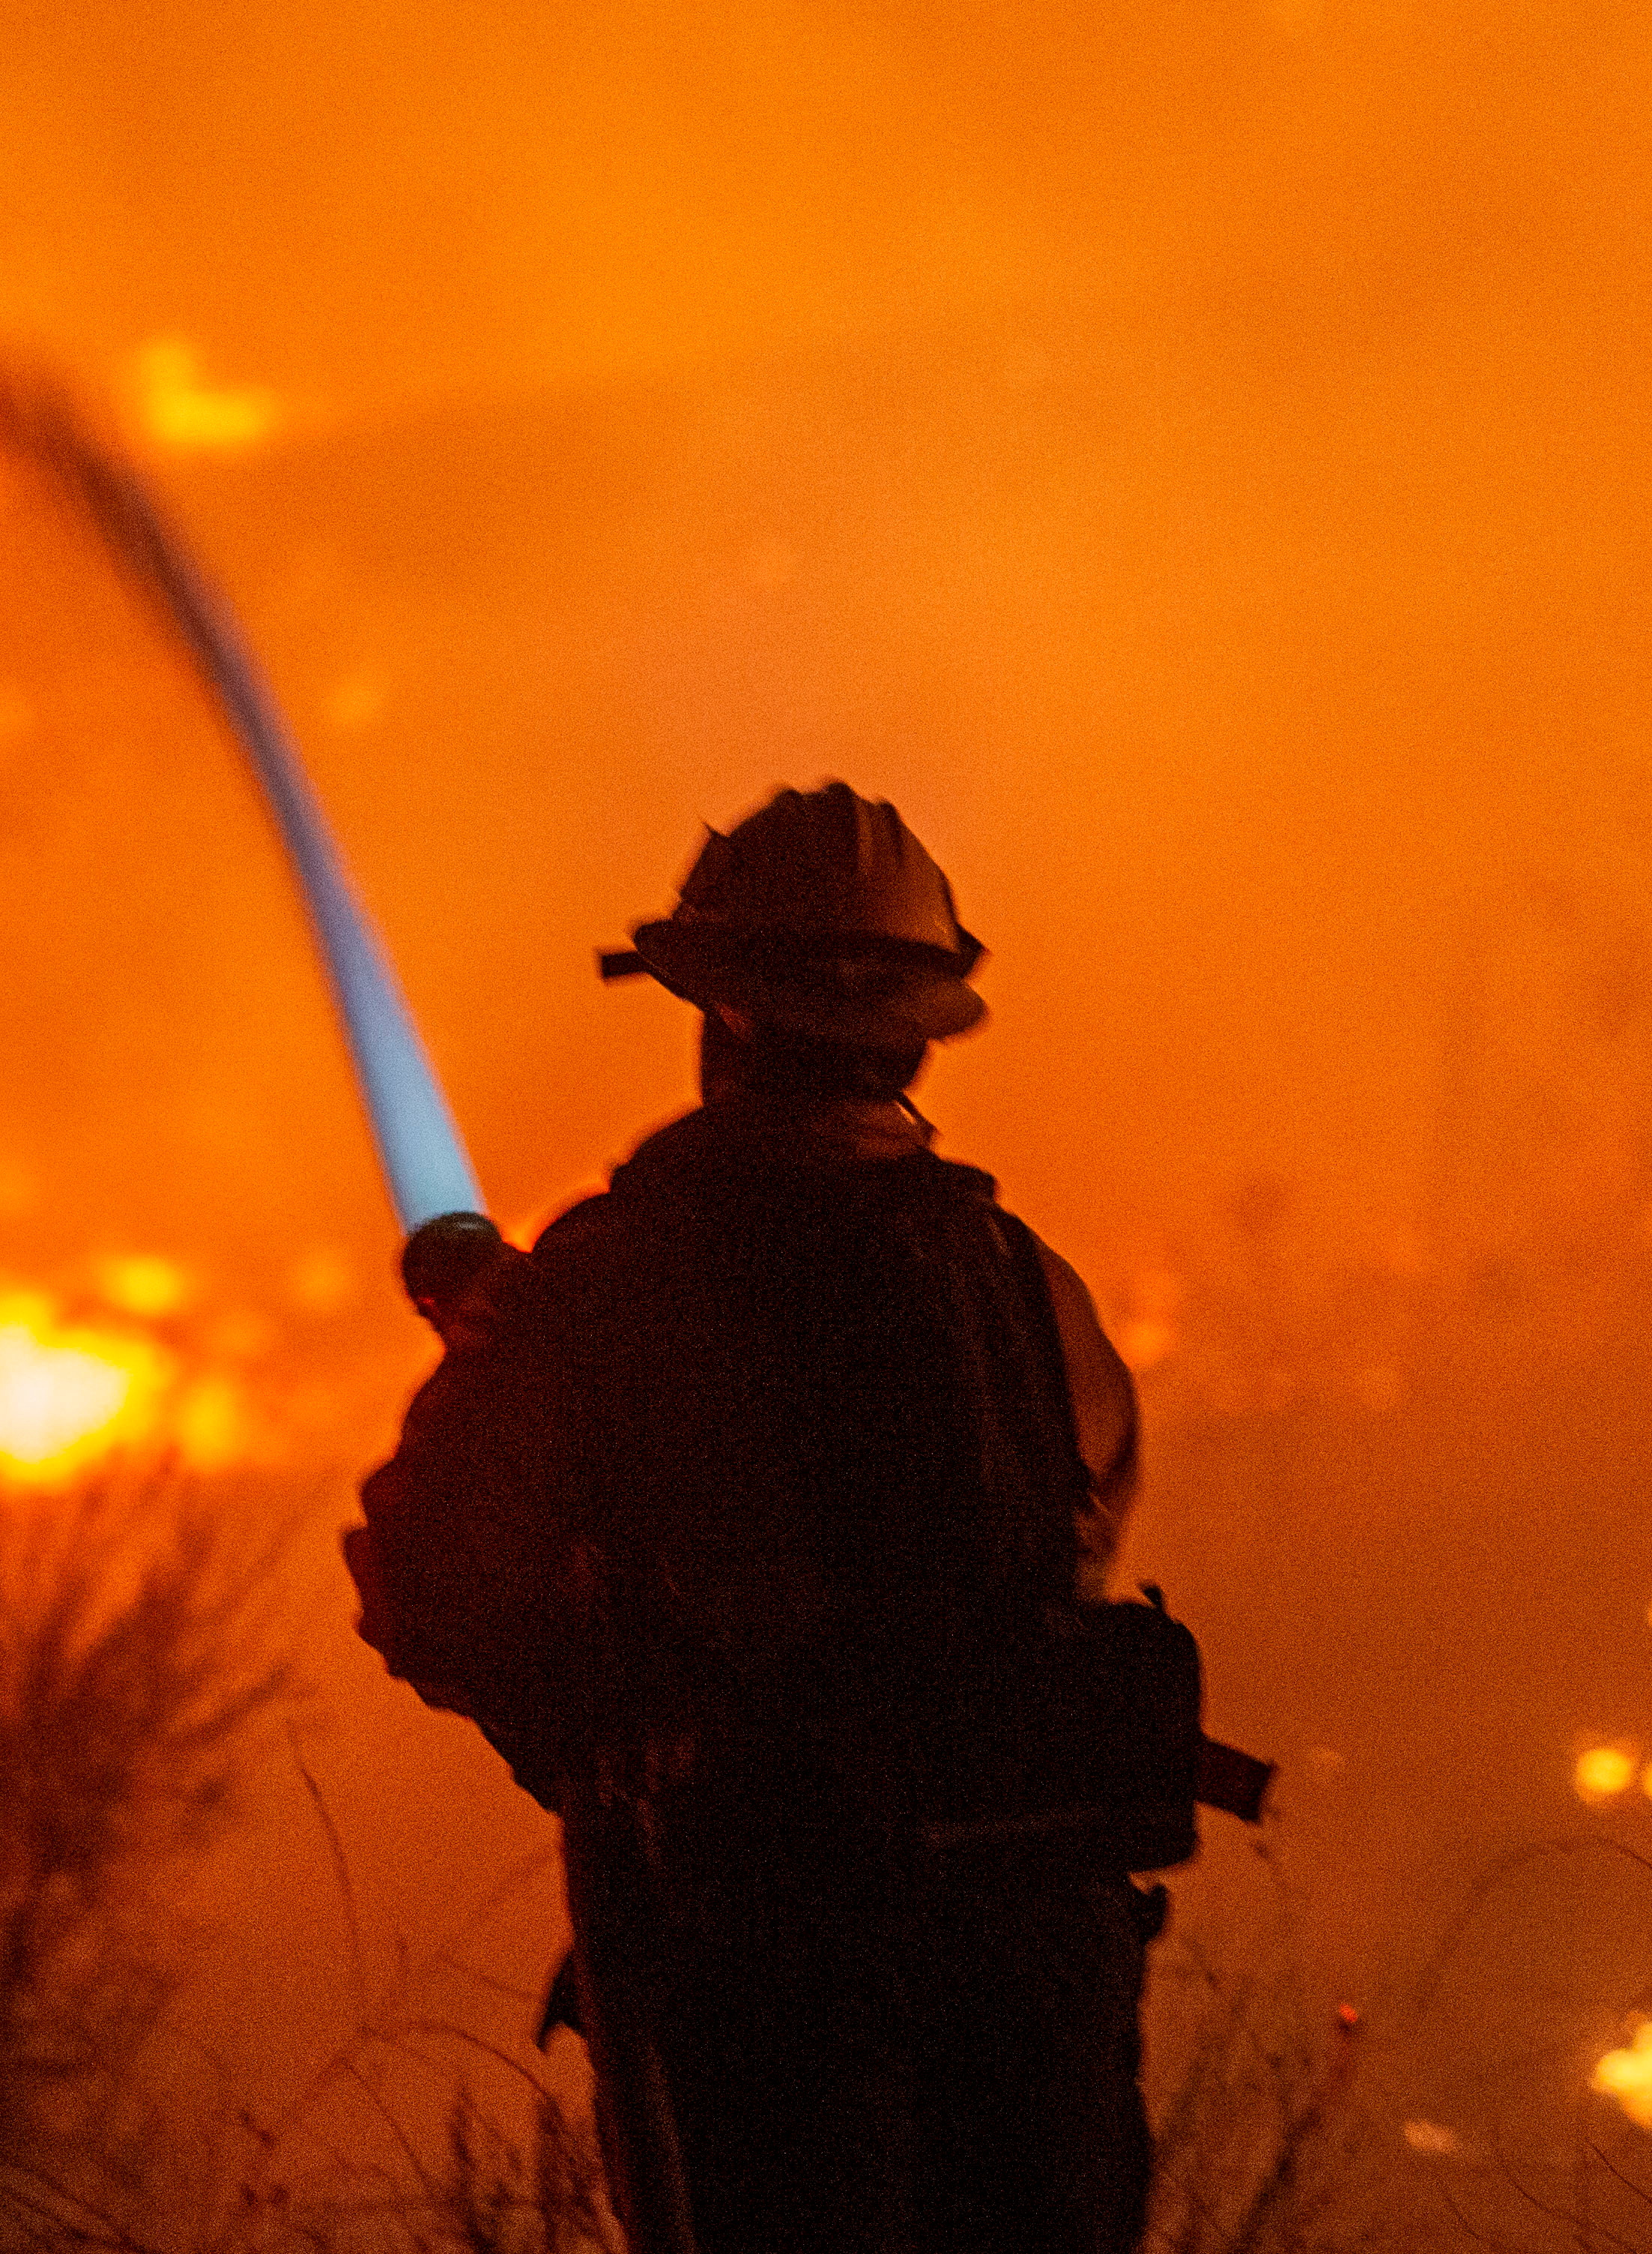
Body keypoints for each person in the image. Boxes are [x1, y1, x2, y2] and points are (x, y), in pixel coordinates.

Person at [348, 782, 1162, 2254]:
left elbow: (436, 1578)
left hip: (763, 1965)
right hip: (1042, 1967)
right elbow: (1071, 1549)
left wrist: (594, 1713)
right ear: (919, 1027)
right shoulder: (1031, 1292)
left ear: (716, 1014)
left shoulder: (601, 1295)